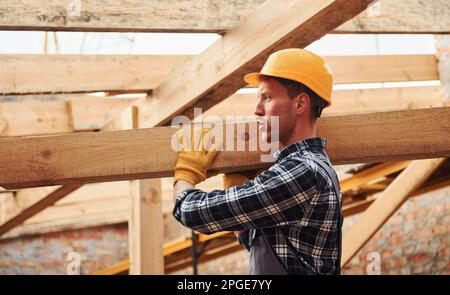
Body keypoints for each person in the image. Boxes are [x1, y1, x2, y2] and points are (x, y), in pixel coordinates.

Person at [172, 48, 343, 275]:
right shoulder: (304, 168)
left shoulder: (303, 171)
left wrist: (186, 173)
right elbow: (272, 250)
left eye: (268, 97)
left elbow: (191, 213)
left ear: (300, 104)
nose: (257, 109)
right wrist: (241, 194)